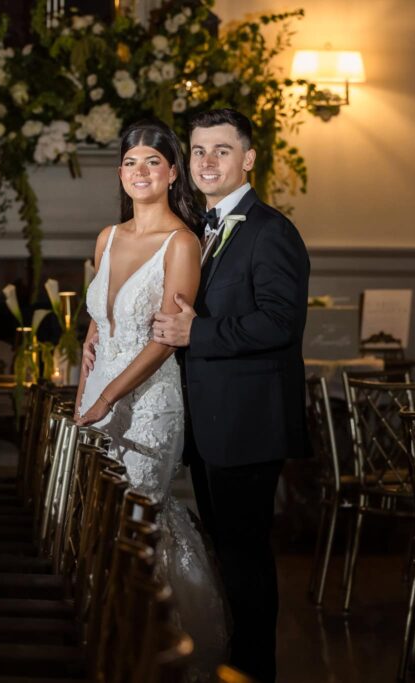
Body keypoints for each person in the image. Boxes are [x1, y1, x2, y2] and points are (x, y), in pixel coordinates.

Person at [152, 108, 311, 683]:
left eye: (221, 150)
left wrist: (198, 332)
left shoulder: (271, 230)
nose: (207, 161)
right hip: (214, 424)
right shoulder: (206, 227)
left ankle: (252, 671)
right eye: (198, 151)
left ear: (247, 159)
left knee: (244, 557)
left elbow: (279, 324)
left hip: (249, 423)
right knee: (227, 552)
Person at [75, 119, 229, 678]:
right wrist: (84, 389)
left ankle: (154, 651)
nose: (140, 172)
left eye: (152, 162)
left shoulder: (181, 243)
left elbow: (166, 339)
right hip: (96, 397)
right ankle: (103, 642)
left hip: (148, 406)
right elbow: (100, 325)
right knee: (95, 519)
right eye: (131, 163)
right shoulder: (106, 237)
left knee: (138, 523)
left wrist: (110, 396)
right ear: (121, 173)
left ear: (171, 173)